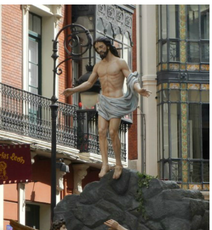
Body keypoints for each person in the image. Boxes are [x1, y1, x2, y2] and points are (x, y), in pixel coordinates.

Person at [62, 36, 151, 179]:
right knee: (101, 131)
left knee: (112, 131)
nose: (99, 50)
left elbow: (131, 78)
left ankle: (118, 164)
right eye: (97, 49)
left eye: (101, 47)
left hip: (116, 102)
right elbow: (89, 83)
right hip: (104, 102)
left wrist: (139, 89)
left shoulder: (120, 62)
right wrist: (73, 90)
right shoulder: (98, 66)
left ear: (108, 46)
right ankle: (105, 164)